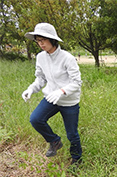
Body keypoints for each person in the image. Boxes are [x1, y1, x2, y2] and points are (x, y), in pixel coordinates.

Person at [21, 23, 83, 168]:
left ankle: (77, 159)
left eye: (43, 40)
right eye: (38, 40)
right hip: (51, 98)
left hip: (68, 101)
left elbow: (77, 82)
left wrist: (61, 91)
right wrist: (31, 88)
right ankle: (54, 141)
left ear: (52, 39)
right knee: (36, 119)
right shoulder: (40, 57)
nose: (40, 44)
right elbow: (41, 78)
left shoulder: (67, 58)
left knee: (72, 134)